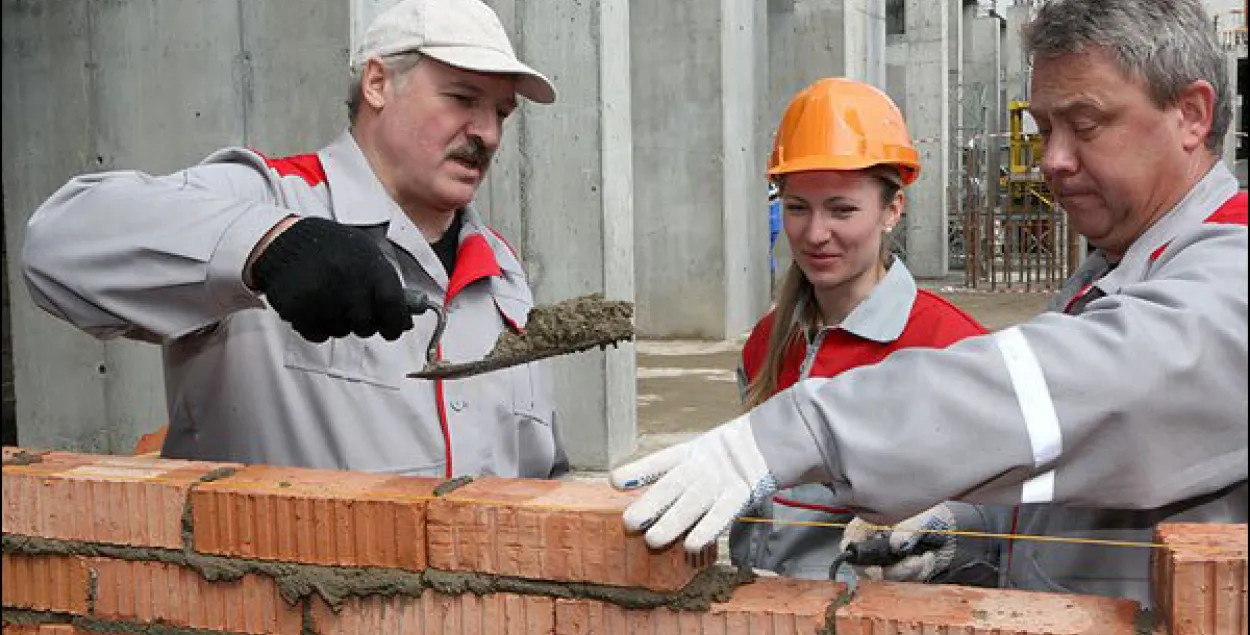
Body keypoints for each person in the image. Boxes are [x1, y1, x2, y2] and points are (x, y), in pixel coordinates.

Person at [612, 0, 1246, 605]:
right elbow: (1088, 486)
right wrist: (970, 535)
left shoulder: (1231, 270)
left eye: (1084, 126)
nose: (1052, 160)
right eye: (1043, 128)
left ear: (1191, 114)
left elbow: (1092, 387)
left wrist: (804, 429)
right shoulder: (1112, 272)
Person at [21, 0, 569, 479]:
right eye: (462, 98)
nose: (488, 134)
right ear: (377, 83)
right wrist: (267, 246)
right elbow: (58, 242)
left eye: (500, 112)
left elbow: (538, 471)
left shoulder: (500, 271)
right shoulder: (269, 199)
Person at [728, 77, 994, 584]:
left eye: (842, 209)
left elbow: (1003, 519)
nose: (814, 233)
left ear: (893, 209)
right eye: (797, 207)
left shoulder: (951, 347)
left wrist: (955, 536)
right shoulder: (766, 343)